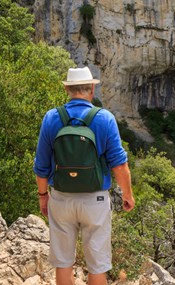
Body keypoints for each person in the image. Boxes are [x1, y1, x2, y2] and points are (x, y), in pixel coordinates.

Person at [33, 67, 135, 285]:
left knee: (63, 263)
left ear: (68, 90)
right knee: (97, 265)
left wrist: (43, 196)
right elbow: (120, 164)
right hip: (95, 200)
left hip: (60, 198)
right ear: (92, 89)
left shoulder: (52, 118)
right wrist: (128, 195)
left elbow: (41, 166)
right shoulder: (104, 118)